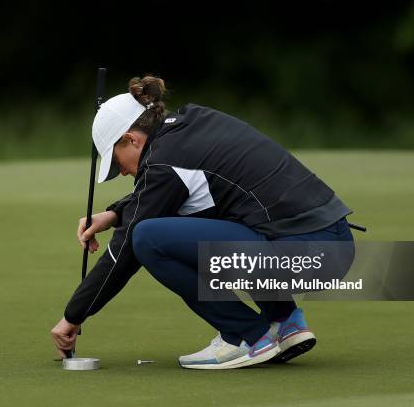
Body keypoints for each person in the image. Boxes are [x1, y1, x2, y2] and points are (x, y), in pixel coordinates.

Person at [50, 75, 355, 369]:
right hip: (332, 245)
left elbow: (127, 246)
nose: (123, 173)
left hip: (302, 253)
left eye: (117, 163)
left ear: (130, 139)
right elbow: (171, 192)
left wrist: (73, 316)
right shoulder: (189, 125)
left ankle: (247, 335)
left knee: (148, 238)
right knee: (198, 222)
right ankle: (285, 323)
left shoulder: (163, 163)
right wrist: (116, 212)